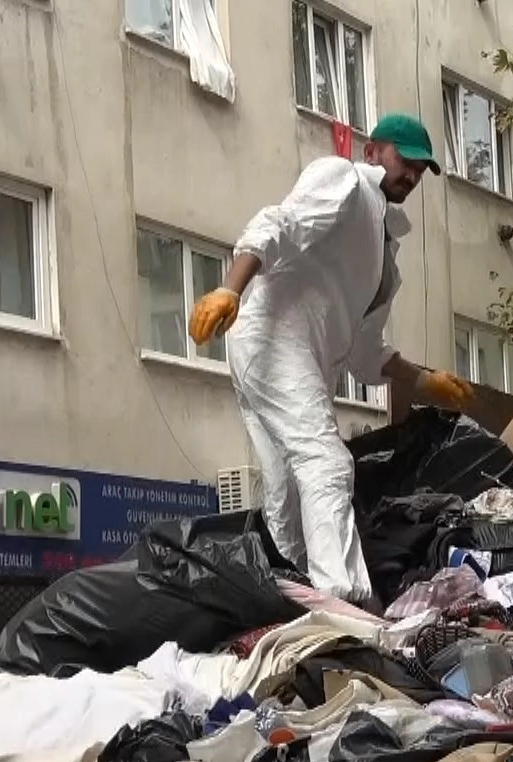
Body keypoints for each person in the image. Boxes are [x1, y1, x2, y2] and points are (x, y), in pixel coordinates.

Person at [188, 114, 474, 604]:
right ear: (372, 152)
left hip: (293, 358)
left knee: (288, 494)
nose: (412, 175)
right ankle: (346, 602)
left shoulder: (385, 256)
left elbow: (365, 355)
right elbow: (279, 224)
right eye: (405, 160)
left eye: (421, 169)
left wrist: (425, 383)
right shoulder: (343, 179)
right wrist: (228, 289)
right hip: (272, 339)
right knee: (326, 461)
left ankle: (291, 594)